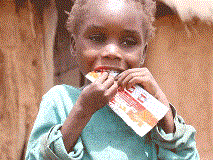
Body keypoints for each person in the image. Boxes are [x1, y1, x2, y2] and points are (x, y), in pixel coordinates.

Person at [25, 0, 199, 159]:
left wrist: (164, 111)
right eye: (97, 38)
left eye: (128, 42)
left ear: (144, 53)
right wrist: (82, 111)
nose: (112, 52)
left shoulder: (151, 112)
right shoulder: (60, 100)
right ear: (74, 46)